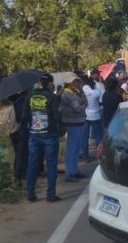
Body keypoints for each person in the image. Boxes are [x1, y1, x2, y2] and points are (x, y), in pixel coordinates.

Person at [24, 73, 61, 202]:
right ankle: (50, 194)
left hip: (34, 135)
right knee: (51, 165)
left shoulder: (30, 96)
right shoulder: (53, 97)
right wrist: (60, 131)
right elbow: (58, 116)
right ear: (50, 83)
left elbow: (25, 116)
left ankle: (30, 193)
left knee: (32, 163)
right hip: (50, 135)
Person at [60, 73, 88, 181]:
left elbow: (86, 102)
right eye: (74, 81)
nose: (76, 82)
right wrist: (83, 104)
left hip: (79, 122)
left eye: (77, 80)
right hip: (72, 123)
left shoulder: (75, 92)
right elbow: (78, 108)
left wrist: (81, 90)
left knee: (76, 148)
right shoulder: (66, 94)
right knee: (72, 148)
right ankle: (69, 173)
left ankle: (74, 171)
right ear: (68, 83)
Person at [9, 89, 32, 187]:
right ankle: (20, 176)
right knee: (22, 154)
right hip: (22, 130)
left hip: (13, 130)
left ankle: (18, 174)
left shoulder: (13, 100)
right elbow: (23, 117)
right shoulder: (24, 101)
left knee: (18, 153)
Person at [81, 69, 104, 163]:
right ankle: (99, 156)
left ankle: (86, 157)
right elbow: (101, 102)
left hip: (85, 115)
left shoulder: (83, 90)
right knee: (98, 136)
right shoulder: (97, 91)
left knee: (85, 137)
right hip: (96, 115)